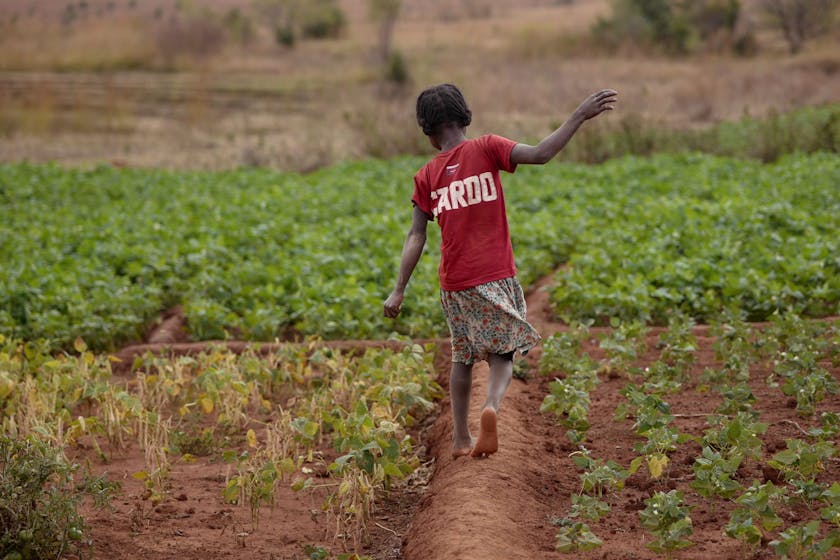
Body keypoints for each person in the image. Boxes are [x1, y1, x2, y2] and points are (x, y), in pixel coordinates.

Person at [383, 83, 617, 459]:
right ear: (465, 116)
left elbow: (416, 235)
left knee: (462, 356)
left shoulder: (427, 175)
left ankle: (460, 438)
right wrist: (578, 115)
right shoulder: (487, 146)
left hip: (455, 282)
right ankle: (490, 405)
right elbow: (541, 154)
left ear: (427, 130)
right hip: (495, 274)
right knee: (502, 354)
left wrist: (398, 289)